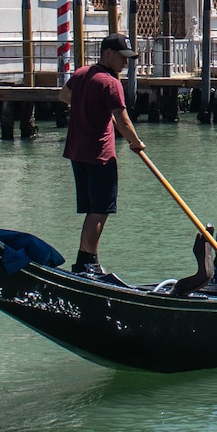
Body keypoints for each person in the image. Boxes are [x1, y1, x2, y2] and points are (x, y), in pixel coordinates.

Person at [58, 34, 145, 277]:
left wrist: (87, 105)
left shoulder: (81, 74)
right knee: (100, 210)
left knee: (91, 209)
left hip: (77, 153)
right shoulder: (110, 82)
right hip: (100, 155)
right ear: (107, 53)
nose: (125, 64)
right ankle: (88, 263)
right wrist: (136, 143)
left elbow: (63, 96)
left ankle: (84, 261)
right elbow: (122, 119)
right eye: (122, 58)